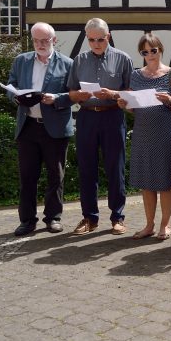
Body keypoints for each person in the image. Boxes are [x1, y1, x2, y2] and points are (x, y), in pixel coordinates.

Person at [7, 22, 74, 236]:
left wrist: (56, 99)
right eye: (36, 40)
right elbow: (12, 84)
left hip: (54, 128)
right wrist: (16, 97)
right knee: (27, 176)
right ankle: (27, 220)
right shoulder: (21, 61)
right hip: (27, 126)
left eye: (44, 41)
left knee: (56, 175)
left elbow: (74, 94)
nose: (40, 44)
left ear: (54, 40)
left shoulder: (67, 64)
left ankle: (53, 218)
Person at [67, 18, 133, 235]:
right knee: (87, 169)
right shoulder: (79, 60)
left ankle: (118, 217)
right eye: (92, 40)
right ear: (87, 38)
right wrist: (79, 95)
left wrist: (114, 95)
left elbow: (131, 92)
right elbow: (71, 91)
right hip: (86, 117)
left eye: (101, 39)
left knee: (115, 168)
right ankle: (89, 218)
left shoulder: (123, 59)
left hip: (112, 116)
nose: (96, 44)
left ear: (109, 36)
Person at [116, 33, 171, 240]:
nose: (149, 55)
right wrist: (125, 105)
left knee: (164, 181)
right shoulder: (136, 75)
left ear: (160, 50)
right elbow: (133, 106)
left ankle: (165, 224)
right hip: (142, 133)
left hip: (164, 133)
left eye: (153, 50)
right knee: (146, 181)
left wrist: (169, 100)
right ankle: (149, 225)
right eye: (144, 52)